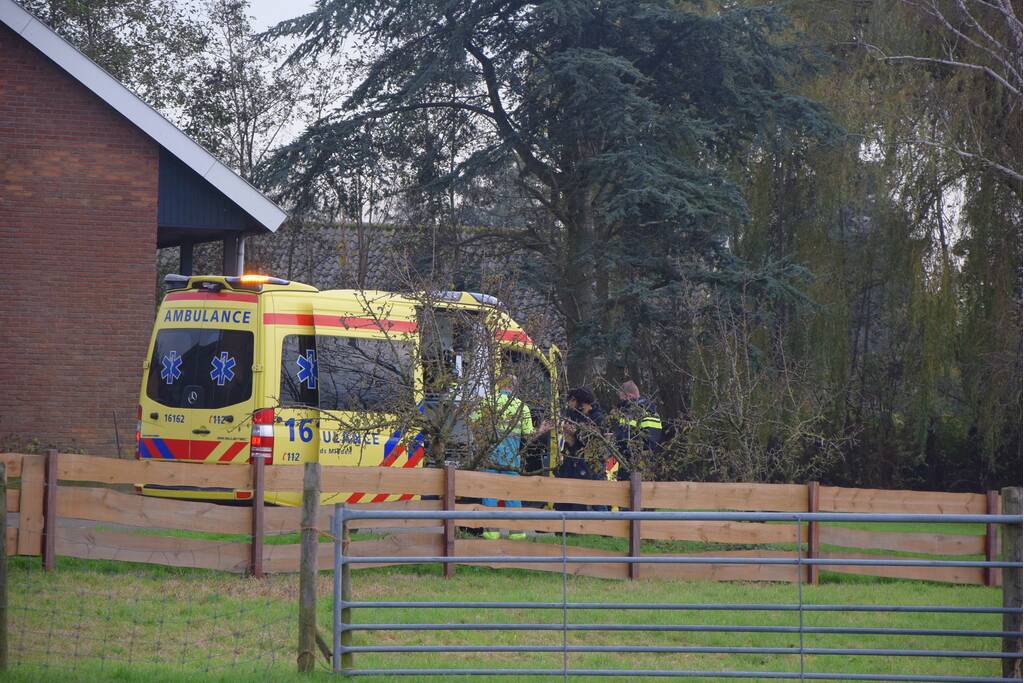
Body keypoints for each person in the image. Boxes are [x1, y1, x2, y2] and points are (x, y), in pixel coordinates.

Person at [474, 375, 533, 540]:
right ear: (514, 387)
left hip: (490, 456)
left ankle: (491, 532)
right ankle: (516, 533)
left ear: (499, 384)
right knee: (512, 494)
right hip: (511, 459)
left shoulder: (487, 402)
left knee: (489, 493)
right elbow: (528, 435)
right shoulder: (522, 407)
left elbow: (474, 425)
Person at [539, 387, 606, 512]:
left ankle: (605, 526)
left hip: (590, 463)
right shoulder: (574, 415)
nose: (570, 404)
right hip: (573, 461)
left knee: (595, 497)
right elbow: (572, 441)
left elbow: (592, 441)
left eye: (572, 401)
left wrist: (575, 432)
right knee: (568, 496)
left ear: (579, 401)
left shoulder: (597, 418)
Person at [613, 380, 662, 482]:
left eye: (622, 399)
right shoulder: (651, 412)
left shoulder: (633, 412)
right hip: (641, 464)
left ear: (629, 396)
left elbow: (625, 438)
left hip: (633, 465)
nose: (621, 403)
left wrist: (614, 442)